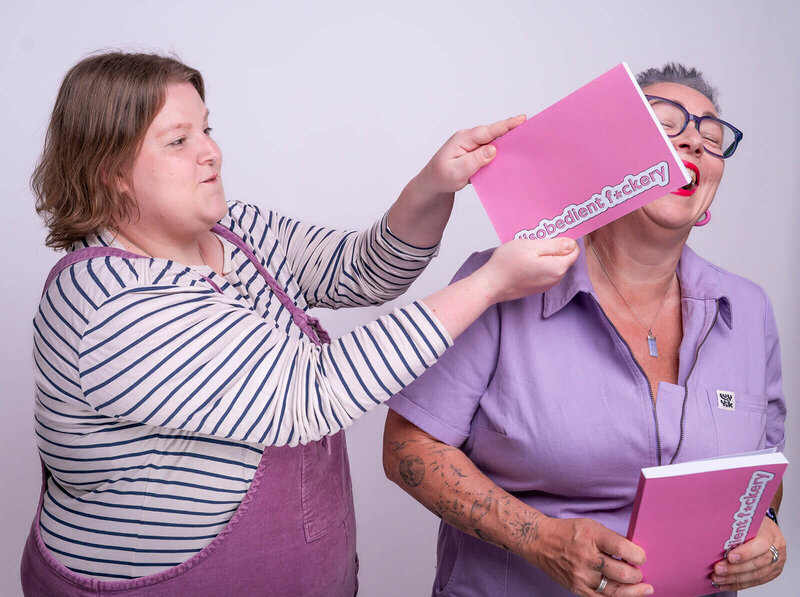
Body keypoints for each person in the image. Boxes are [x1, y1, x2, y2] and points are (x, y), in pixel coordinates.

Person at [20, 51, 580, 596]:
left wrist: (435, 184)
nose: (211, 152)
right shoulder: (106, 303)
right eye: (178, 141)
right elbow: (307, 393)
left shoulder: (235, 232)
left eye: (207, 130)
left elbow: (364, 273)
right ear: (110, 171)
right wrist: (487, 286)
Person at [383, 63, 786, 597]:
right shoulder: (503, 282)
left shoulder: (750, 308)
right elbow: (408, 447)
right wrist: (541, 540)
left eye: (711, 137)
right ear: (609, 157)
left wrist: (772, 535)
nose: (692, 140)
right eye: (664, 126)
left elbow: (763, 477)